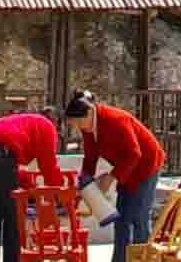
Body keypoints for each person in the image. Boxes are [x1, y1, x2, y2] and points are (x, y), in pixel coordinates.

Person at [64, 89, 166, 262]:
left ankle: (142, 258)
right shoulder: (88, 127)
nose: (78, 127)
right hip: (125, 169)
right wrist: (84, 186)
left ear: (89, 112)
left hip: (146, 166)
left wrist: (111, 177)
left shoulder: (115, 119)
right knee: (122, 219)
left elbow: (134, 153)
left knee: (138, 217)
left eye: (78, 122)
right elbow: (90, 158)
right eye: (74, 124)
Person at [0, 104, 65, 262]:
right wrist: (59, 195)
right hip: (2, 151)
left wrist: (31, 188)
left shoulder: (24, 121)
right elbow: (48, 166)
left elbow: (14, 172)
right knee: (13, 216)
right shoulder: (47, 126)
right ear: (56, 123)